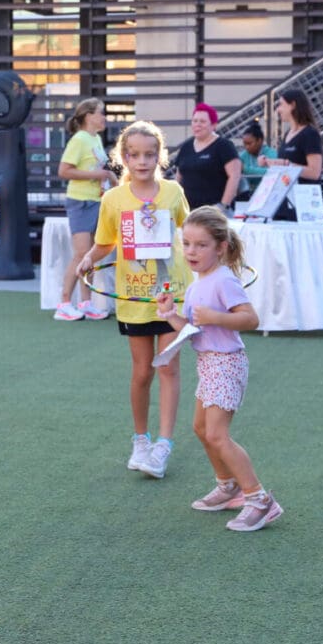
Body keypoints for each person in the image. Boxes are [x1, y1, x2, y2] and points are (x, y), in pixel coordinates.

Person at [76, 121, 191, 478]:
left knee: (168, 367)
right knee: (142, 371)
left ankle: (163, 445)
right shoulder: (113, 199)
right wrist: (89, 259)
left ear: (160, 156)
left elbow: (190, 232)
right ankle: (140, 439)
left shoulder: (173, 192)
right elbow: (105, 241)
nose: (142, 161)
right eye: (135, 154)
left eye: (150, 154)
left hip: (171, 295)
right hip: (133, 296)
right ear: (123, 157)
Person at [156, 207, 282, 532]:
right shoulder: (199, 283)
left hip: (226, 363)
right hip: (208, 363)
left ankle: (259, 499)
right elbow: (192, 327)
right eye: (186, 244)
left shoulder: (224, 279)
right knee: (201, 429)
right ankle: (228, 487)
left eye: (200, 245)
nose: (191, 252)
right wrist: (170, 315)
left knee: (217, 434)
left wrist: (218, 318)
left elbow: (250, 319)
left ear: (220, 247)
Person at [53, 97, 113, 321]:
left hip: (95, 201)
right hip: (79, 202)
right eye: (100, 112)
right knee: (80, 254)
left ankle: (86, 302)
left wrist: (108, 179)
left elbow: (100, 171)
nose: (104, 117)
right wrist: (97, 175)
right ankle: (64, 302)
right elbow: (64, 170)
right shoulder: (79, 140)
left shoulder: (95, 139)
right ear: (89, 116)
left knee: (89, 255)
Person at [172, 102, 241, 213]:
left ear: (213, 125)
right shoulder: (186, 147)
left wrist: (223, 206)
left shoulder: (224, 146)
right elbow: (179, 177)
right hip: (188, 210)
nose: (197, 124)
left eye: (202, 121)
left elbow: (234, 176)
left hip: (214, 211)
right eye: (195, 121)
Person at [271, 89, 323, 222]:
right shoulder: (288, 134)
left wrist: (287, 165)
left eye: (281, 105)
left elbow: (314, 172)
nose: (278, 110)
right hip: (284, 198)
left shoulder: (310, 134)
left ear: (293, 105)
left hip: (303, 202)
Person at [237, 122, 277, 193]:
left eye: (249, 143)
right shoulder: (243, 155)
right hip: (247, 195)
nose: (246, 147)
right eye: (244, 144)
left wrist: (245, 169)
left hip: (267, 193)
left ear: (260, 141)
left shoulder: (272, 154)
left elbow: (272, 173)